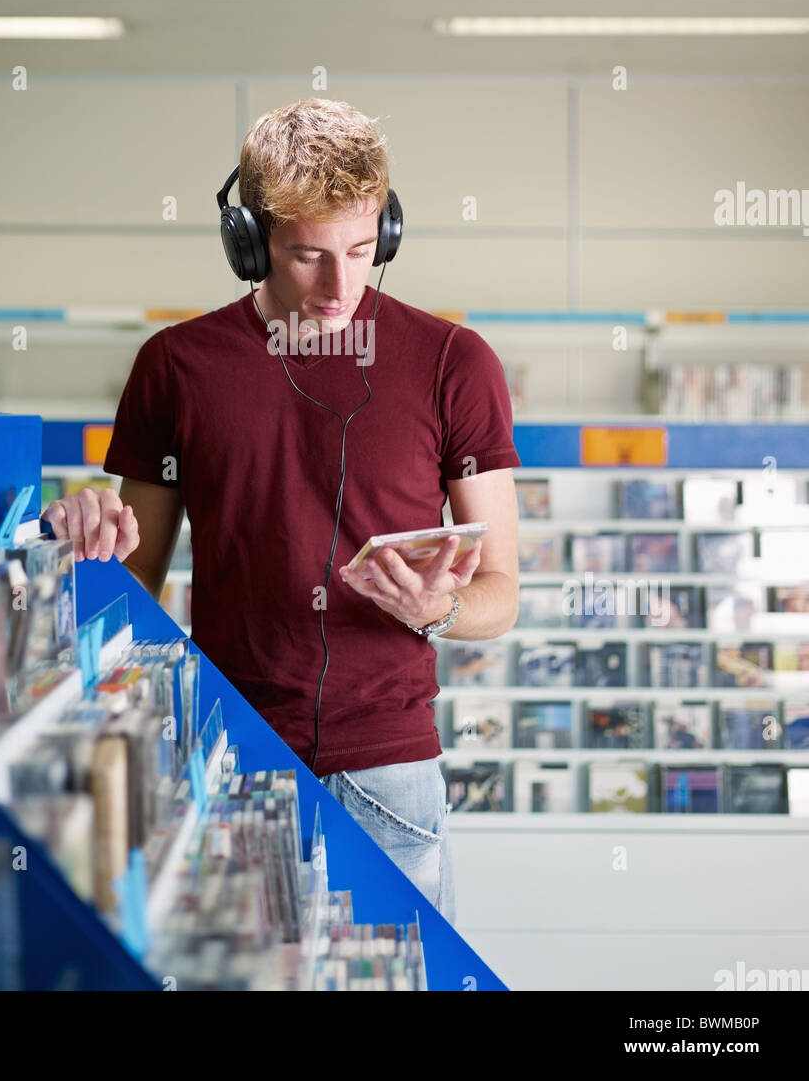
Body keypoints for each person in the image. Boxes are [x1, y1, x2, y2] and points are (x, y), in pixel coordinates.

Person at [42, 99, 521, 923]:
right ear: (250, 241)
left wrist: (437, 608)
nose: (340, 288)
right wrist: (82, 535)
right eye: (307, 256)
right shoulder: (175, 367)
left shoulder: (453, 363)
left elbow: (503, 594)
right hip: (228, 758)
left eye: (363, 251)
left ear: (389, 233)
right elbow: (128, 591)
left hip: (388, 774)